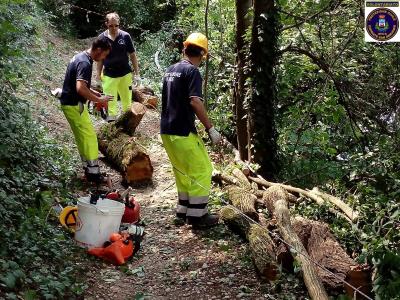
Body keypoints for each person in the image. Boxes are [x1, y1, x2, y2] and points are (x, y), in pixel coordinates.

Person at [160, 32, 222, 229]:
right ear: (202, 55)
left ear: (184, 48)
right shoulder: (192, 72)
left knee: (182, 171)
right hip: (182, 130)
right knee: (202, 169)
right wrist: (210, 128)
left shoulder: (171, 69)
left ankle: (183, 210)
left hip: (167, 130)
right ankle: (196, 216)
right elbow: (195, 101)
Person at [60, 38, 113, 182]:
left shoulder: (80, 57)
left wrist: (93, 93)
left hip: (70, 103)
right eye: (104, 55)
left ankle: (88, 169)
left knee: (82, 137)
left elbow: (77, 83)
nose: (104, 58)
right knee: (89, 137)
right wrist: (99, 100)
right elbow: (79, 88)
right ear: (98, 50)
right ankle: (94, 173)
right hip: (73, 105)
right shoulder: (84, 62)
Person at [96, 12, 141, 122]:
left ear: (119, 24)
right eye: (111, 25)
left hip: (125, 74)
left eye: (116, 25)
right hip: (109, 75)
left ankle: (127, 124)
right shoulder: (102, 38)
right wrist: (97, 75)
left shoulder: (125, 36)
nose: (114, 28)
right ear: (106, 24)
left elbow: (133, 55)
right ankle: (111, 126)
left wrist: (137, 74)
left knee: (127, 101)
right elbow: (100, 59)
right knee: (110, 102)